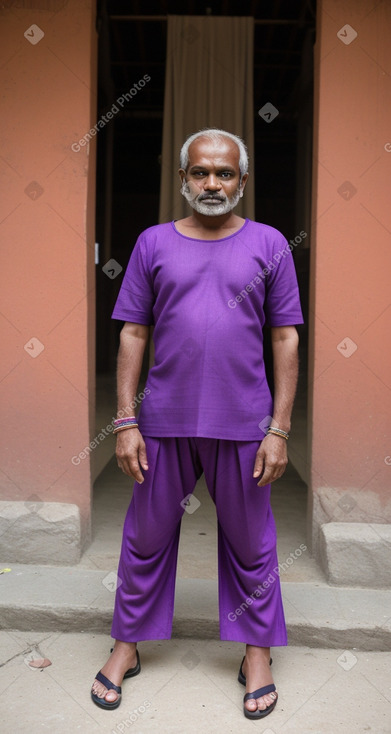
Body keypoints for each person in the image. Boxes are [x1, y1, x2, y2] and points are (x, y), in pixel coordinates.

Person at [91, 128, 303, 720]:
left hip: (245, 423)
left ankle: (255, 655)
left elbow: (284, 336)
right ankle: (126, 647)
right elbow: (134, 330)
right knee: (145, 538)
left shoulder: (270, 245)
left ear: (242, 180)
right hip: (162, 422)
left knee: (252, 544)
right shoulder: (153, 243)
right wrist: (126, 420)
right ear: (183, 178)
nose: (213, 183)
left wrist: (280, 428)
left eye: (225, 173)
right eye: (201, 173)